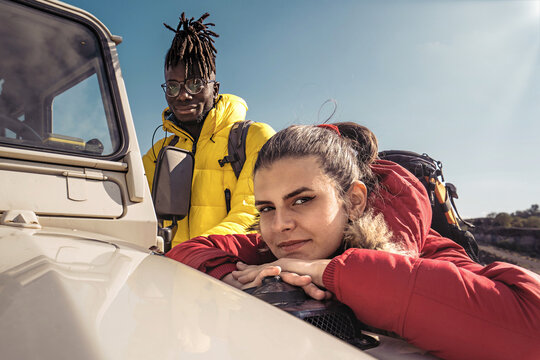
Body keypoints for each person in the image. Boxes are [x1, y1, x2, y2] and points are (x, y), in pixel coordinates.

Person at [167, 123, 540, 359]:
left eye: (302, 200)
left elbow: (531, 326)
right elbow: (188, 251)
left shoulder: (425, 247)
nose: (279, 225)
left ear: (355, 201)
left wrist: (328, 271)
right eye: (266, 207)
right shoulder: (278, 244)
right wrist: (229, 276)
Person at [143, 13, 275, 246]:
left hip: (233, 275)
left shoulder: (255, 138)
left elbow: (252, 214)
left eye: (195, 84)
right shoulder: (158, 152)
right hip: (169, 272)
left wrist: (195, 251)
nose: (183, 95)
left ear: (215, 89)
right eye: (173, 87)